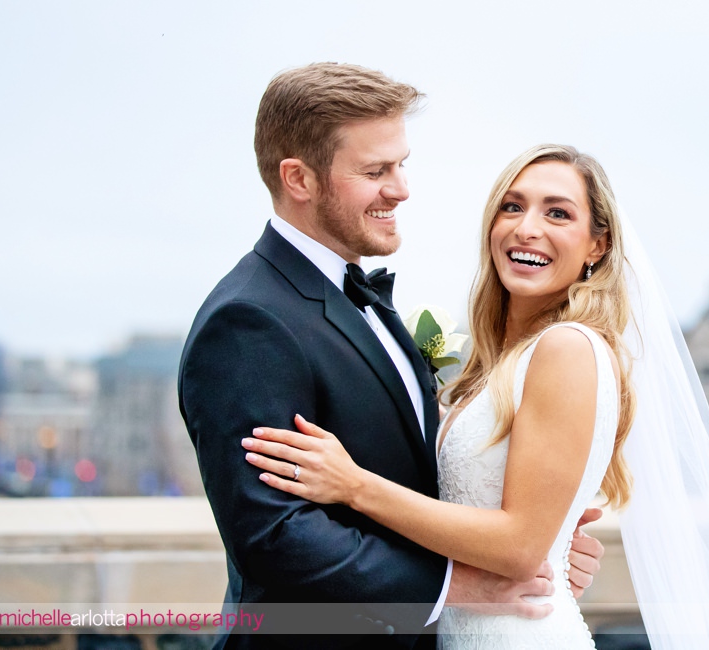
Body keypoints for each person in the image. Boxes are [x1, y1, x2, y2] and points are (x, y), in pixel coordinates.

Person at [243, 144, 709, 649]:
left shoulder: (567, 348)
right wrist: (561, 546)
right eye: (512, 206)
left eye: (558, 214)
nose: (527, 228)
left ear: (599, 244)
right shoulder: (502, 362)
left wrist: (355, 486)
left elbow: (520, 547)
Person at [177, 64, 603, 650]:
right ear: (298, 179)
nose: (400, 189)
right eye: (375, 171)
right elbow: (273, 534)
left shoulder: (363, 300)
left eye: (400, 165)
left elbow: (419, 471)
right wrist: (457, 586)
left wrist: (543, 531)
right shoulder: (250, 320)